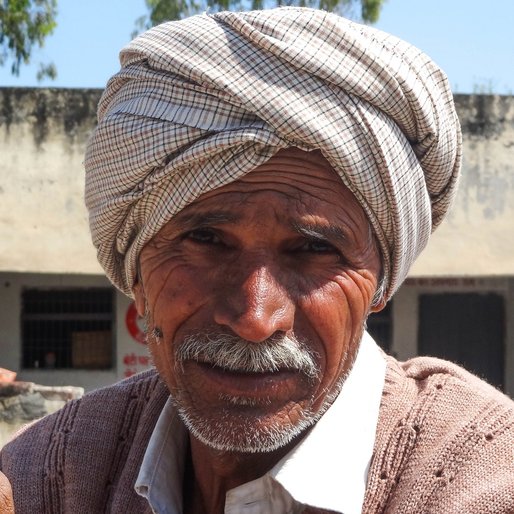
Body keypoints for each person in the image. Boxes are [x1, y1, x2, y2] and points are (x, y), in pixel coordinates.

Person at [1, 7, 513, 514]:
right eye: (206, 239)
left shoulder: (482, 475)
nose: (253, 319)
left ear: (380, 283)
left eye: (315, 249)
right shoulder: (46, 477)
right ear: (136, 271)